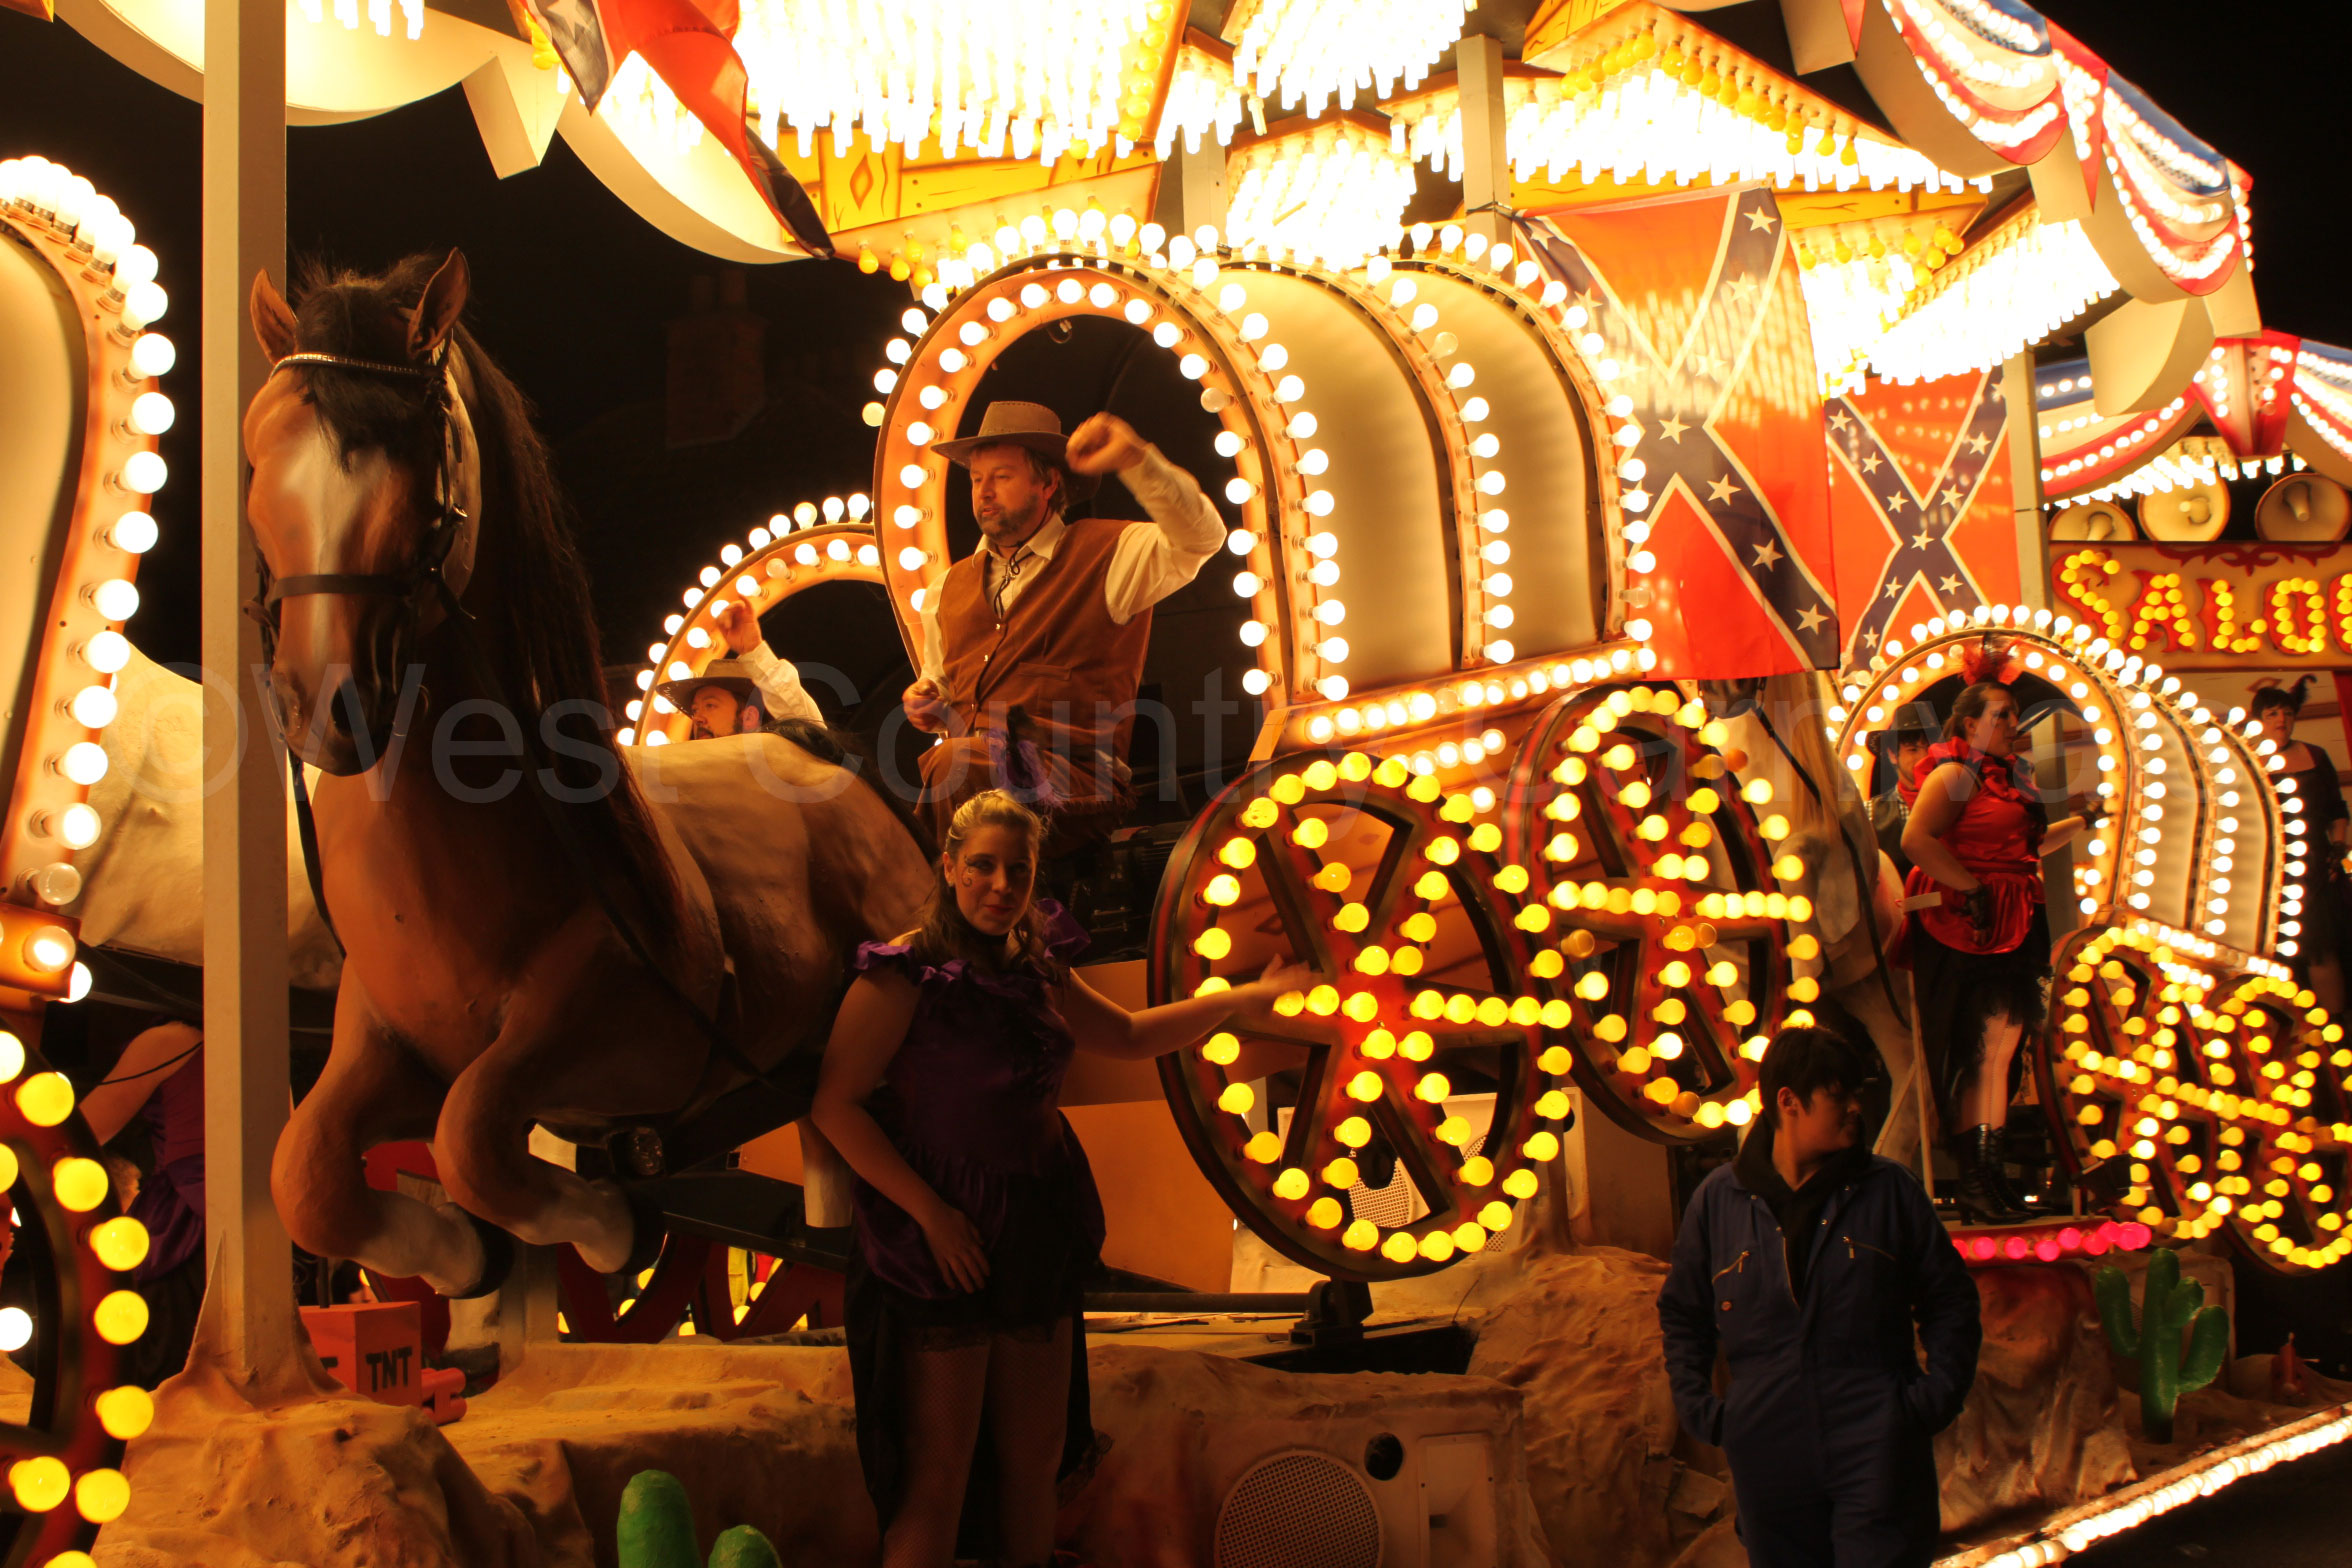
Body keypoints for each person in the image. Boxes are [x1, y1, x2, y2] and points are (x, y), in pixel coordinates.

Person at [811, 789, 1307, 1568]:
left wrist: (1248, 996)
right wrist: (932, 1216)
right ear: (949, 867)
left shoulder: (1038, 968)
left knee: (1034, 1466)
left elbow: (1132, 1035)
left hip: (1033, 1226)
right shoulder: (904, 974)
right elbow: (835, 1107)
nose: (1000, 885)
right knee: (935, 1479)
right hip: (935, 1236)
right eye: (982, 866)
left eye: (1018, 870)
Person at [1658, 1026, 1981, 1568]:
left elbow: (1950, 1300)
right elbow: (1683, 1313)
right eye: (1839, 1095)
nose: (1856, 1108)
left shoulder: (1889, 1190)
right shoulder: (1719, 1201)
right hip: (1768, 1449)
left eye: (1857, 1093)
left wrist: (1928, 1402)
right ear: (1788, 1101)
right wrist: (1707, 1414)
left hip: (1877, 1441)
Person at [903, 402, 1223, 855]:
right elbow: (941, 686)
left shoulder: (1109, 553)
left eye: (1002, 476)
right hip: (972, 779)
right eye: (976, 479)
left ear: (1049, 483)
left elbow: (1203, 537)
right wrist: (925, 702)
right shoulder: (945, 587)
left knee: (956, 762)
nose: (984, 492)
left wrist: (1135, 459)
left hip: (1076, 785)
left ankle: (932, 890)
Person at [1898, 642, 2095, 1221]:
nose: (2013, 724)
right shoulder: (1956, 776)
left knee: (2002, 1052)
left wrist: (2082, 819)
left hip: (2017, 915)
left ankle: (1991, 1175)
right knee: (1980, 1048)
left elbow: (2026, 849)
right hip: (1970, 924)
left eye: (2014, 714)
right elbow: (1916, 839)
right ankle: (1975, 1180)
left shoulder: (2008, 780)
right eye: (2002, 714)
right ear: (1969, 724)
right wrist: (1972, 888)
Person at [78, 1020, 207, 1390]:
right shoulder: (262, 1039)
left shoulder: (170, 1040)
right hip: (251, 1218)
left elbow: (78, 1133)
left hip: (182, 1226)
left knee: (163, 1383)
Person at [2252, 678, 2352, 1013]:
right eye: (2272, 713)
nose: (2282, 719)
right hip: (2270, 868)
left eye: (2288, 712)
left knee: (2322, 946)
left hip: (2317, 865)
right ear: (2260, 720)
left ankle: (2336, 1027)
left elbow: (2337, 809)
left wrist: (2338, 848)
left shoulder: (2315, 755)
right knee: (2279, 953)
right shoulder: (2250, 759)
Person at [654, 598, 824, 738]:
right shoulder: (690, 769)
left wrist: (753, 649)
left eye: (710, 705)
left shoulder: (782, 761)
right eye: (694, 710)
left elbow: (809, 730)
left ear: (748, 717)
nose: (697, 718)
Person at [1869, 721, 1932, 875]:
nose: (1924, 757)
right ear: (1892, 755)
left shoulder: (1959, 804)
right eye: (1913, 749)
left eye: (1930, 748)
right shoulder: (1870, 814)